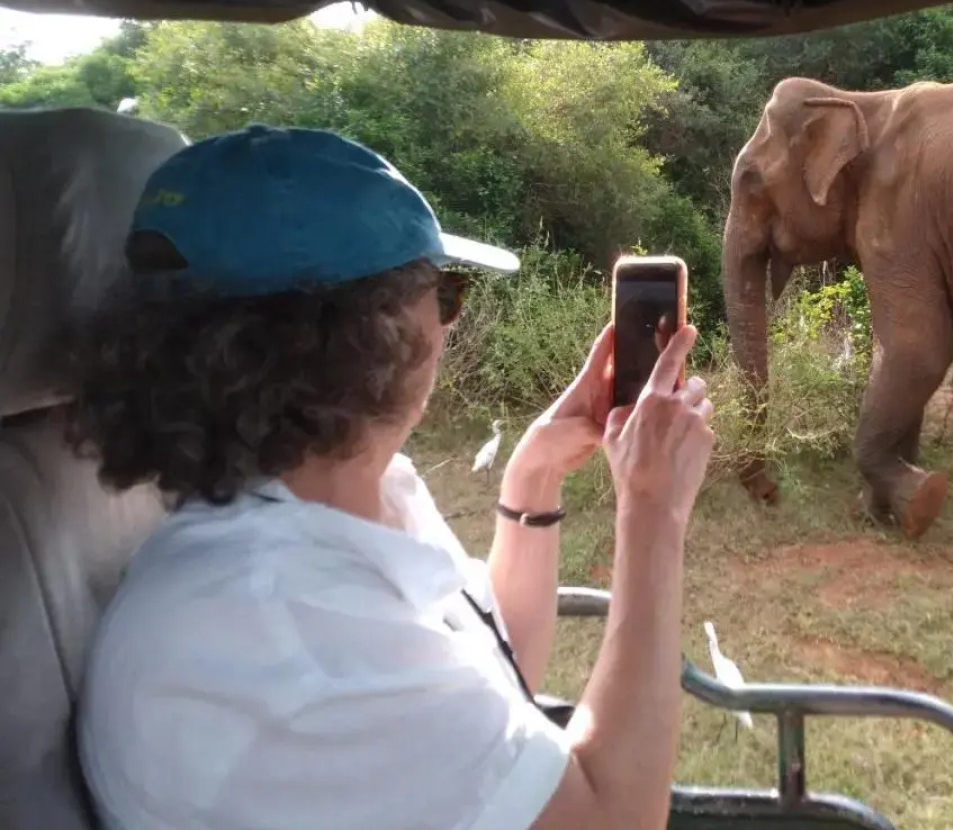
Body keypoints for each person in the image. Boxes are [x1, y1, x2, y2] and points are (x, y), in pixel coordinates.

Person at [68, 124, 716, 830]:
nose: (448, 327)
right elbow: (614, 819)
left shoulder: (344, 505)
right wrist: (652, 513)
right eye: (448, 296)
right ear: (375, 335)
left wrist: (533, 479)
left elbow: (499, 682)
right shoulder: (277, 648)